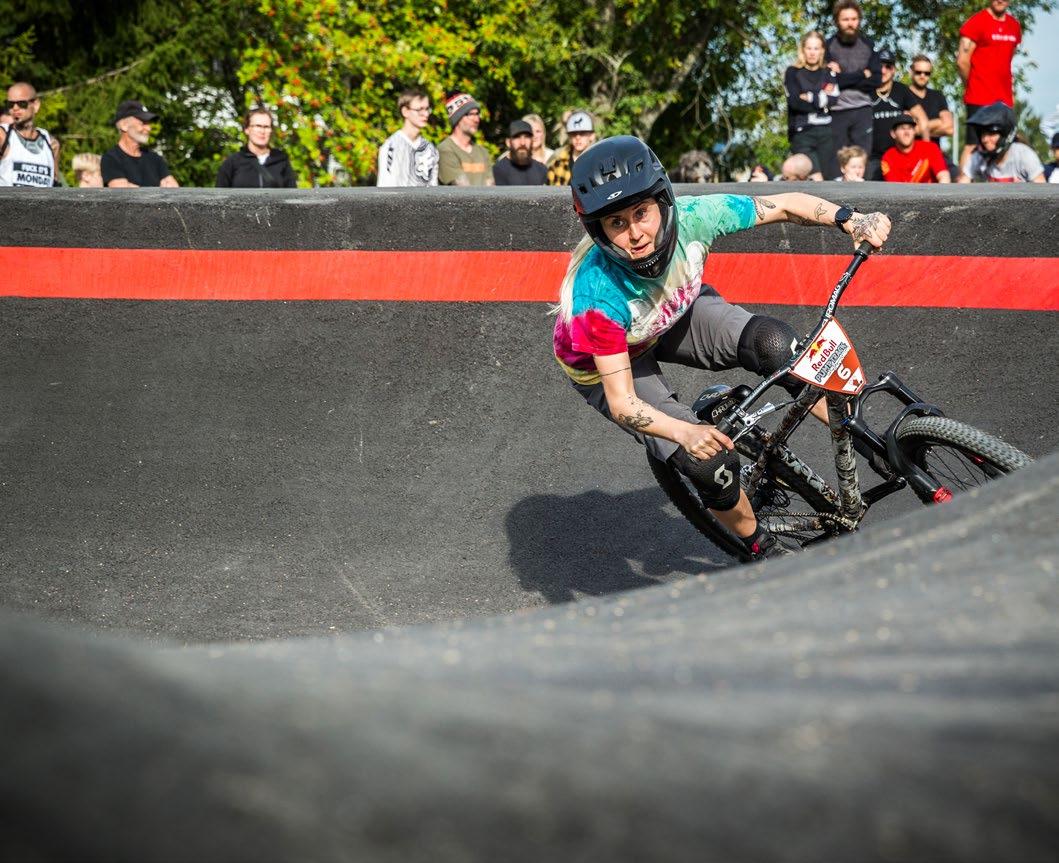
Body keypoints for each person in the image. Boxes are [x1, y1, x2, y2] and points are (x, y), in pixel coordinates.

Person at [552, 136, 890, 560]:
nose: (636, 234)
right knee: (707, 464)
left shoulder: (696, 216)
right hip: (608, 364)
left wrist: (852, 219)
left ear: (662, 201)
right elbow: (623, 403)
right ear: (597, 230)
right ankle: (762, 549)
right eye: (617, 223)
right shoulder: (596, 296)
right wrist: (685, 432)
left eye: (641, 213)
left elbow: (785, 205)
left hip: (670, 315)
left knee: (774, 343)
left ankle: (866, 444)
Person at [957, 0, 1021, 176]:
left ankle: (1006, 186)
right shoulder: (976, 22)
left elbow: (1008, 60)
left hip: (1004, 98)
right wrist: (972, 84)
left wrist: (1011, 90)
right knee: (972, 144)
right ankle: (960, 187)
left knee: (1009, 144)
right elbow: (962, 61)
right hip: (979, 96)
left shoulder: (1014, 26)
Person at [825, 0, 882, 158]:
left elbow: (876, 80)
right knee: (837, 161)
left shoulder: (869, 45)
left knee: (862, 160)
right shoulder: (827, 46)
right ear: (837, 21)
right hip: (836, 111)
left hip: (863, 110)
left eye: (854, 19)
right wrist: (862, 74)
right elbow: (829, 82)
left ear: (859, 21)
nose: (850, 23)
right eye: (845, 19)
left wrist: (842, 77)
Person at [783, 31, 839, 180]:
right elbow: (795, 102)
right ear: (803, 50)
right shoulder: (792, 72)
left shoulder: (828, 73)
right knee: (815, 178)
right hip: (802, 133)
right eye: (809, 48)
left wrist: (809, 96)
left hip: (826, 133)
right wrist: (821, 100)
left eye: (816, 48)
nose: (812, 53)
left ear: (822, 50)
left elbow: (833, 100)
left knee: (827, 178)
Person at [869, 48, 928, 180]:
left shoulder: (901, 90)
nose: (883, 70)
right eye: (879, 66)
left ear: (893, 70)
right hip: (873, 158)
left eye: (888, 66)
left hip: (898, 156)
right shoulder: (867, 90)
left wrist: (926, 153)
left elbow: (922, 119)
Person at [959, 102, 1045, 183]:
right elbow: (963, 183)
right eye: (983, 134)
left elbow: (1041, 189)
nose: (985, 139)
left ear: (1006, 134)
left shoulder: (1023, 155)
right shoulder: (980, 157)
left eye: (991, 133)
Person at [101, 100, 179, 188]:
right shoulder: (111, 159)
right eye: (143, 123)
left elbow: (174, 189)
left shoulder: (155, 159)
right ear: (124, 125)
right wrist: (159, 190)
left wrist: (132, 187)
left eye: (149, 123)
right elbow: (121, 192)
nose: (149, 128)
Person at [216, 107, 297, 188]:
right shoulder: (232, 162)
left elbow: (292, 192)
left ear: (271, 130)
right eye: (258, 126)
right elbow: (220, 193)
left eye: (266, 127)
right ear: (247, 129)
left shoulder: (281, 160)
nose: (262, 131)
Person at [0, 82, 60, 188]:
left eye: (22, 103)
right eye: (10, 104)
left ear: (36, 105)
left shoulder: (51, 144)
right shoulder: (3, 136)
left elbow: (55, 184)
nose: (15, 108)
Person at [376, 89, 438, 187]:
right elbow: (385, 186)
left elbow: (433, 186)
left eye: (427, 109)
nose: (426, 114)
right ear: (405, 111)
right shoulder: (391, 147)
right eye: (419, 109)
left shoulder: (430, 149)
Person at [437, 92, 493, 186]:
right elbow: (463, 190)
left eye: (477, 114)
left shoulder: (483, 152)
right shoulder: (445, 150)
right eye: (471, 114)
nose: (476, 119)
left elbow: (491, 187)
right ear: (457, 118)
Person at [881, 115, 951, 183]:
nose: (907, 132)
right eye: (902, 128)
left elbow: (944, 176)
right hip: (901, 191)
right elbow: (894, 187)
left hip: (931, 191)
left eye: (910, 128)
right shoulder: (888, 158)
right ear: (893, 133)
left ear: (914, 131)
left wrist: (941, 190)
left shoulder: (930, 148)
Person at [906, 55, 954, 150]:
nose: (922, 76)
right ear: (911, 72)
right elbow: (903, 131)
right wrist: (938, 122)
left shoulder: (938, 96)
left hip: (934, 153)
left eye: (927, 73)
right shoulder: (903, 95)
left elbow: (949, 129)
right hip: (909, 153)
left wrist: (919, 127)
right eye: (918, 72)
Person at [547, 111, 597, 186]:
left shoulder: (599, 159)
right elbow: (549, 187)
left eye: (582, 133)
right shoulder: (558, 160)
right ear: (569, 136)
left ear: (592, 136)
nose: (578, 137)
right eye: (573, 133)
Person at [492, 120, 547, 185]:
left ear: (532, 141)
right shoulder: (498, 171)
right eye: (517, 137)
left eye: (527, 137)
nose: (522, 143)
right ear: (508, 142)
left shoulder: (542, 170)